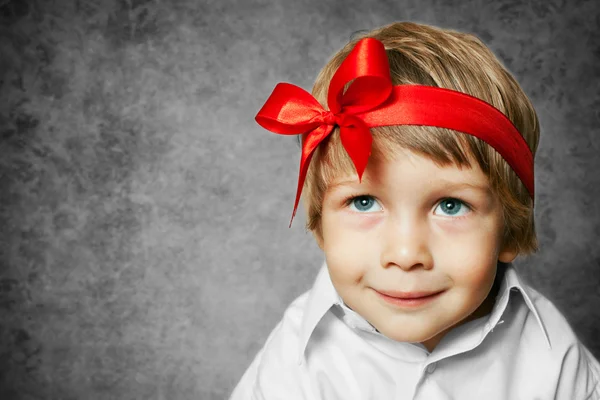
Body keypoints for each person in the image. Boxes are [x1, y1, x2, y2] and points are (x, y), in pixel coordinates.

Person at [230, 21, 600, 399]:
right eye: (364, 202)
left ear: (511, 228)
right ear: (320, 224)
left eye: (451, 206)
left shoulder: (555, 360)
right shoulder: (294, 365)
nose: (406, 255)